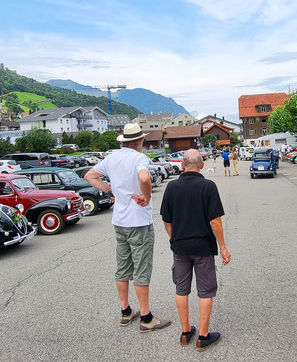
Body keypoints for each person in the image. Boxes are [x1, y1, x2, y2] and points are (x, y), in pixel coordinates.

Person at [84, 123, 171, 332]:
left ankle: (125, 312)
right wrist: (147, 196)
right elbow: (143, 177)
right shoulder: (139, 158)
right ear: (140, 142)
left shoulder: (112, 158)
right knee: (141, 268)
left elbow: (89, 176)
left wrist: (109, 190)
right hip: (138, 222)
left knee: (122, 267)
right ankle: (146, 318)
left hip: (119, 222)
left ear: (124, 141)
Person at [160, 149, 230, 351]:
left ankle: (185, 332)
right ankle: (203, 336)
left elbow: (167, 220)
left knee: (181, 289)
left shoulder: (172, 187)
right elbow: (215, 221)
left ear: (182, 165)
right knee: (205, 290)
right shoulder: (208, 186)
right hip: (203, 247)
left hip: (180, 248)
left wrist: (175, 239)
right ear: (202, 165)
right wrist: (223, 248)